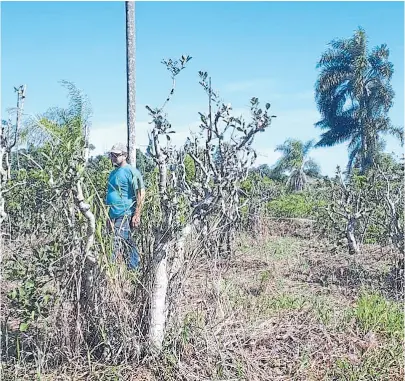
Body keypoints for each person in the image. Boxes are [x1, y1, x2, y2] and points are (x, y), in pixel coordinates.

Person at [105, 142, 146, 270]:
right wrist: (108, 216)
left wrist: (137, 214)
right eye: (111, 155)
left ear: (125, 155)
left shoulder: (131, 172)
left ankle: (126, 269)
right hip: (113, 215)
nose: (113, 157)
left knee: (116, 243)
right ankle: (132, 269)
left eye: (116, 155)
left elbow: (140, 193)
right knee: (126, 242)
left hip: (125, 214)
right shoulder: (113, 173)